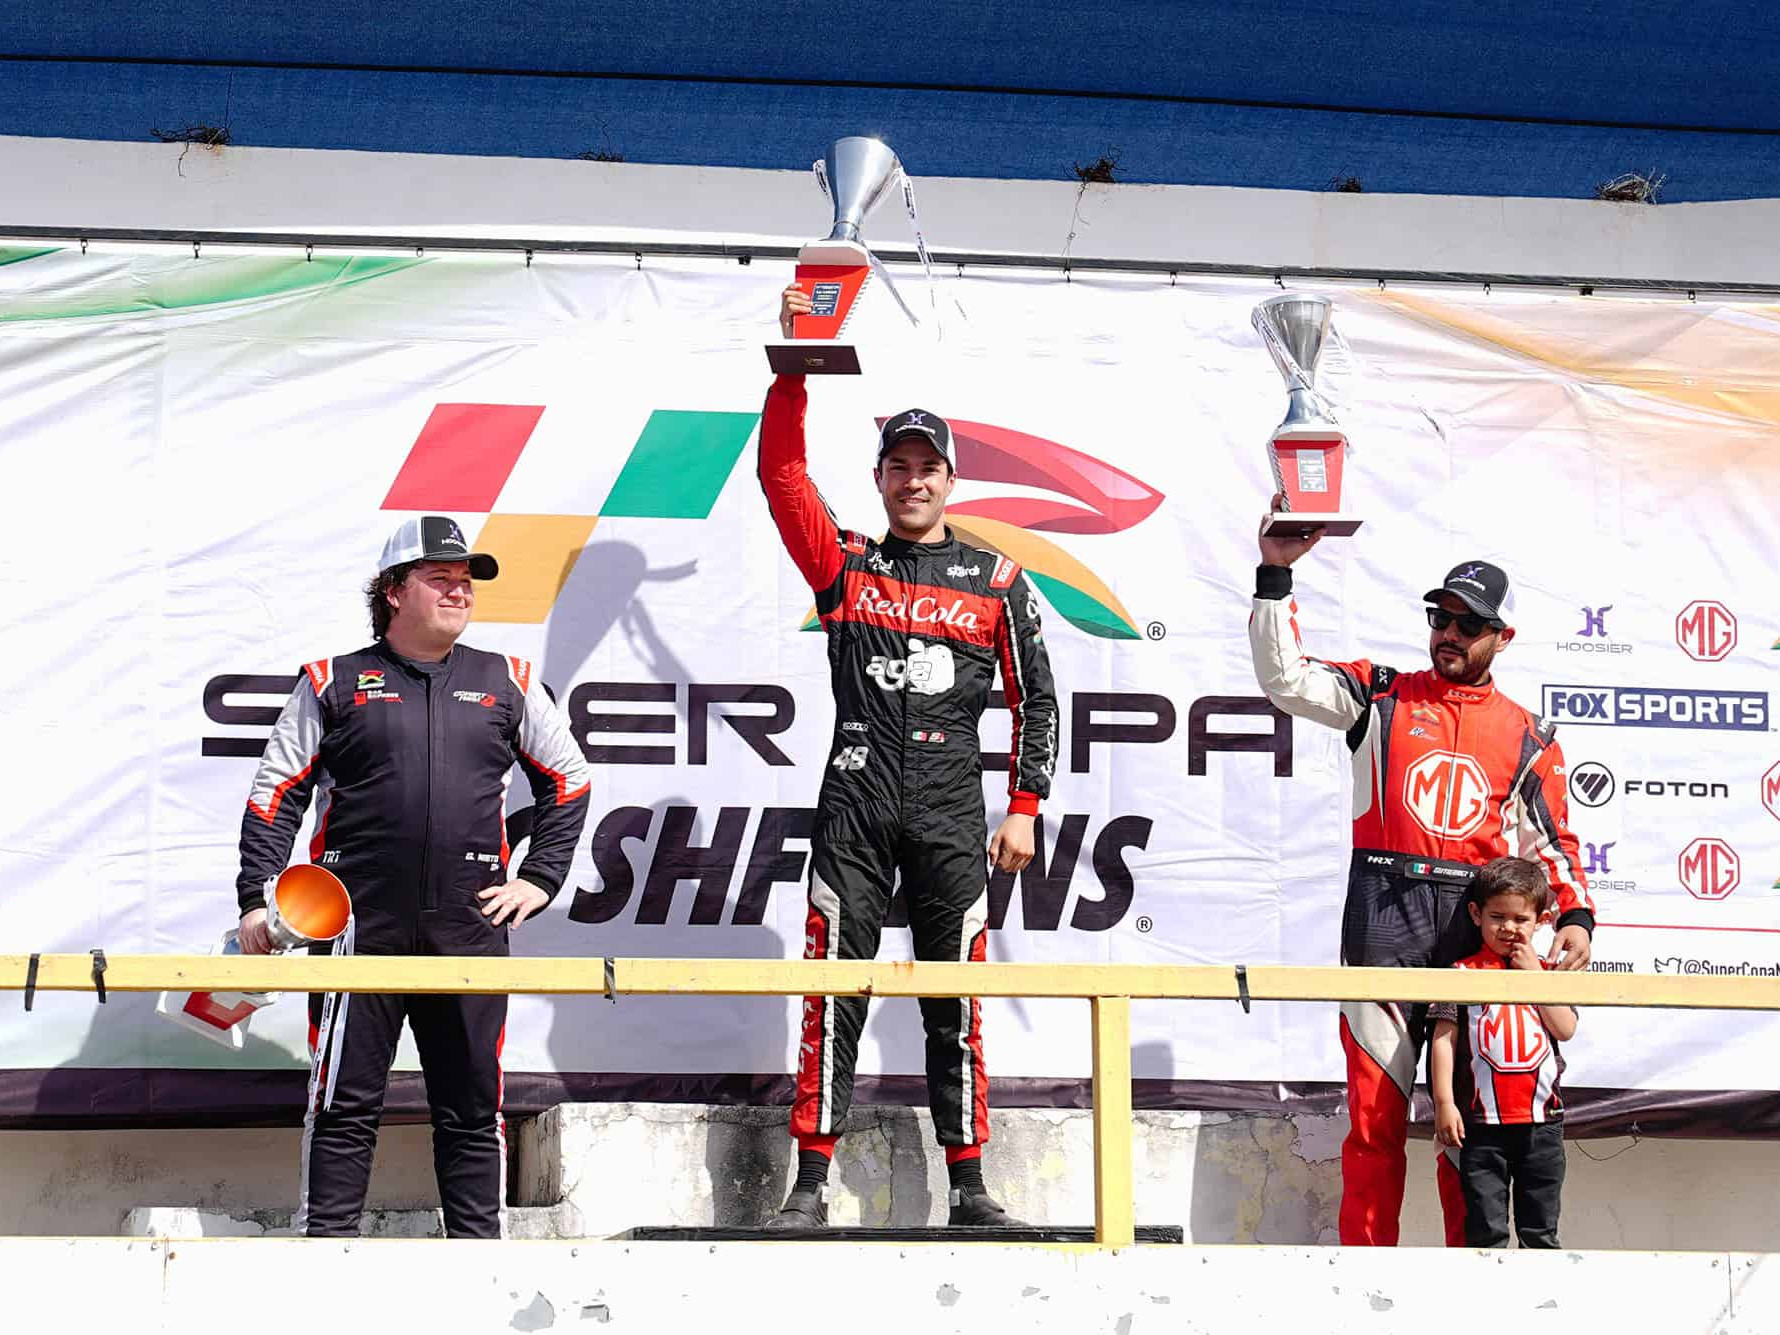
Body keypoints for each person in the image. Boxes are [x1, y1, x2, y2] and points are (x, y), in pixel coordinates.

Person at [758, 284, 1059, 1228]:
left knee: (954, 998)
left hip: (947, 807)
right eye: (899, 465)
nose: (914, 481)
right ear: (881, 477)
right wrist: (797, 368)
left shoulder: (997, 578)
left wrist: (1026, 803)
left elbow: (1040, 695)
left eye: (929, 468)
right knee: (831, 989)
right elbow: (780, 475)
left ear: (950, 481)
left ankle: (969, 1183)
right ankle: (810, 1181)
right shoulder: (846, 562)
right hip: (853, 797)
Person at [235, 514, 592, 1238]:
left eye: (466, 580)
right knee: (342, 1104)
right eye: (441, 577)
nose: (460, 590)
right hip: (356, 929)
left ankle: (479, 1269)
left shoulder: (507, 679)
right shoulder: (331, 681)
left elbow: (570, 779)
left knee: (470, 1108)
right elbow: (275, 794)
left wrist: (541, 877)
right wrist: (258, 897)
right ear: (394, 591)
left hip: (470, 927)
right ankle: (326, 1260)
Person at [1248, 506, 1595, 1246]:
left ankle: (1471, 1287)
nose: (1449, 632)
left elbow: (1556, 843)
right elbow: (1284, 678)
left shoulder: (1530, 734)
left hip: (1472, 929)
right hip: (1382, 914)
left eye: (1468, 624)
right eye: (1441, 615)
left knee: (1464, 1128)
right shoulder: (1381, 694)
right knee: (1373, 1122)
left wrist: (1575, 917)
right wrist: (1276, 573)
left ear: (1502, 638)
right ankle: (1364, 1285)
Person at [1430, 856, 1577, 1249]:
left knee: (1540, 1230)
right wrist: (1445, 1103)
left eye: (1521, 919)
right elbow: (1444, 1039)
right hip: (1481, 1127)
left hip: (1542, 1124)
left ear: (1541, 920)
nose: (1509, 928)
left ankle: (1543, 1304)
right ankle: (1489, 1304)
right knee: (1485, 1231)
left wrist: (1535, 978)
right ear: (1476, 914)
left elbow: (1565, 1028)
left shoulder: (1547, 973)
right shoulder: (1461, 973)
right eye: (1498, 916)